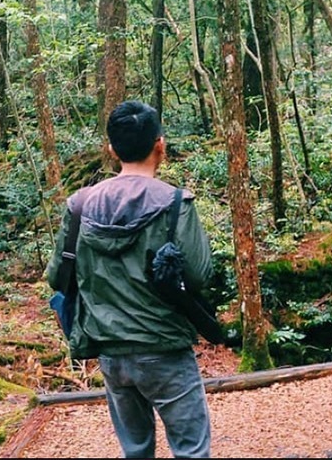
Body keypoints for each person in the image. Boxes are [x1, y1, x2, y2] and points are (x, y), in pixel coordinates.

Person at [47, 99, 214, 458]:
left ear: (111, 149)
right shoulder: (175, 205)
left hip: (111, 352)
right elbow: (199, 276)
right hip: (165, 348)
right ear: (160, 145)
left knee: (136, 450)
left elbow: (55, 276)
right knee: (191, 450)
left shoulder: (80, 205)